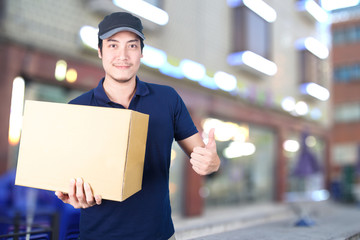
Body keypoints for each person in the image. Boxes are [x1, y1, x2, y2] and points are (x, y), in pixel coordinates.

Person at [55, 12, 220, 240]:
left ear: (141, 53)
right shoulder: (77, 108)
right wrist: (70, 195)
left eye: (131, 46)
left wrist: (212, 162)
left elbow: (202, 157)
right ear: (100, 51)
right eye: (113, 45)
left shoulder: (168, 99)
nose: (122, 55)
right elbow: (65, 181)